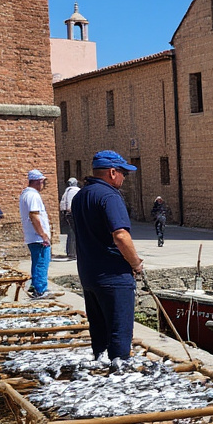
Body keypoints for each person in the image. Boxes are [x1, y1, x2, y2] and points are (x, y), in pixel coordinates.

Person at [73, 150, 145, 361]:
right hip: (113, 275)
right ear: (112, 172)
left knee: (100, 334)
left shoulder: (80, 196)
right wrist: (136, 263)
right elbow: (121, 236)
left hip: (89, 275)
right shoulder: (109, 196)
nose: (124, 178)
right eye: (123, 173)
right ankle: (120, 378)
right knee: (119, 332)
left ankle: (101, 368)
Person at [19, 169, 52, 298]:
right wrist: (43, 234)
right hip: (38, 237)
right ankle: (40, 289)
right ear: (39, 182)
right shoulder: (33, 195)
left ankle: (35, 285)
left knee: (37, 261)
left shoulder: (25, 194)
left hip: (33, 236)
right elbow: (34, 215)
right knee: (42, 262)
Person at [59, 177, 80, 260]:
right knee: (74, 233)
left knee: (70, 233)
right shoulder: (76, 191)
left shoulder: (67, 191)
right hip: (73, 214)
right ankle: (73, 253)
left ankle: (70, 252)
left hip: (67, 214)